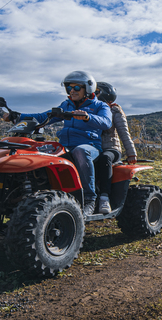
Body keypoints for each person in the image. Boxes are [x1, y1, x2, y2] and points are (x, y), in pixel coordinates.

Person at [9, 71, 112, 215]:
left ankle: (89, 199)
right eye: (69, 88)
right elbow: (44, 116)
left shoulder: (100, 106)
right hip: (65, 145)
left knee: (80, 151)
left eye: (76, 88)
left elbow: (106, 122)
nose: (72, 91)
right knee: (40, 151)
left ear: (88, 89)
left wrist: (88, 117)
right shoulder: (67, 105)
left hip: (90, 146)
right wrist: (19, 116)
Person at [93, 81, 137, 215]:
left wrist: (131, 153)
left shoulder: (115, 110)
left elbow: (124, 132)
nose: (93, 94)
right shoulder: (91, 108)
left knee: (105, 158)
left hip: (111, 148)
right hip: (94, 148)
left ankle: (104, 198)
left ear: (106, 94)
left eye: (96, 92)